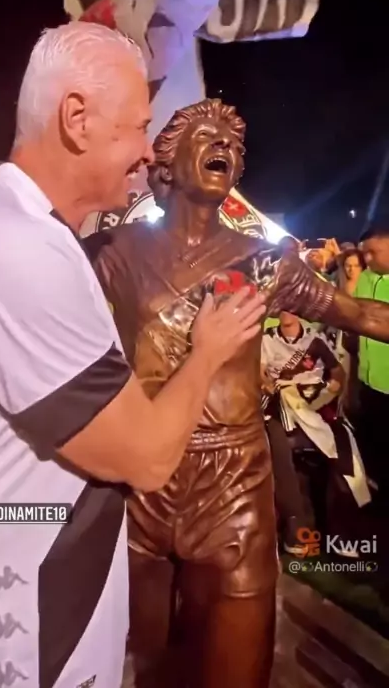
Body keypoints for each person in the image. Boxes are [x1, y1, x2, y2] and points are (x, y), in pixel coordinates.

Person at [0, 24, 266, 688]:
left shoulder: (30, 232)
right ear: (77, 119)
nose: (147, 152)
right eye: (139, 128)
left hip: (65, 574)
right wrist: (208, 352)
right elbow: (146, 456)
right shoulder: (9, 245)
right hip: (24, 607)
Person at [86, 97, 389, 688]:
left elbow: (358, 313)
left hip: (234, 484)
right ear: (167, 162)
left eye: (235, 143)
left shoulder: (266, 263)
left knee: (237, 663)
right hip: (143, 480)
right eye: (207, 134)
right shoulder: (114, 254)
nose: (225, 144)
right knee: (153, 670)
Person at [261, 311, 370, 556]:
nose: (286, 313)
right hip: (281, 405)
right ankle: (296, 528)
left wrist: (333, 386)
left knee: (342, 444)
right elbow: (260, 372)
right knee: (278, 445)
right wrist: (266, 383)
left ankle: (340, 532)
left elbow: (337, 372)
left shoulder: (315, 339)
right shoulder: (267, 339)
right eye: (282, 307)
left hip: (314, 402)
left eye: (292, 307)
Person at [354, 226, 389, 504]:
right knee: (374, 444)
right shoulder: (365, 278)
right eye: (363, 253)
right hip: (367, 380)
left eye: (372, 252)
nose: (366, 259)